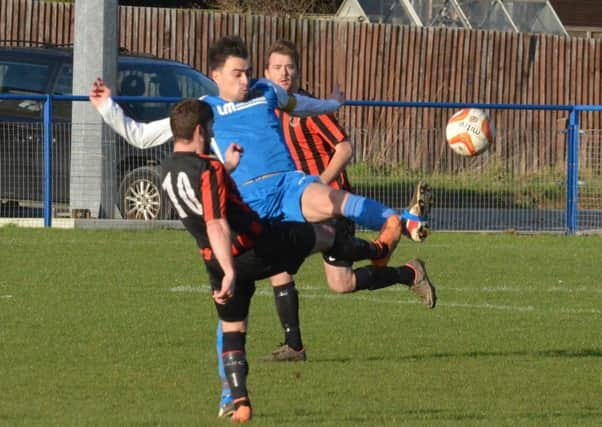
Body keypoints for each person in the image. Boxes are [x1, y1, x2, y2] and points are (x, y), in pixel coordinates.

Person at [162, 98, 435, 422]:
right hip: (258, 240)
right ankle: (383, 250)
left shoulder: (167, 169)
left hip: (228, 252)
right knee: (327, 247)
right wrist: (232, 270)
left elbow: (206, 199)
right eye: (209, 129)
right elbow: (215, 217)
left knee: (236, 322)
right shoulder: (222, 157)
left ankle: (241, 398)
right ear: (199, 130)